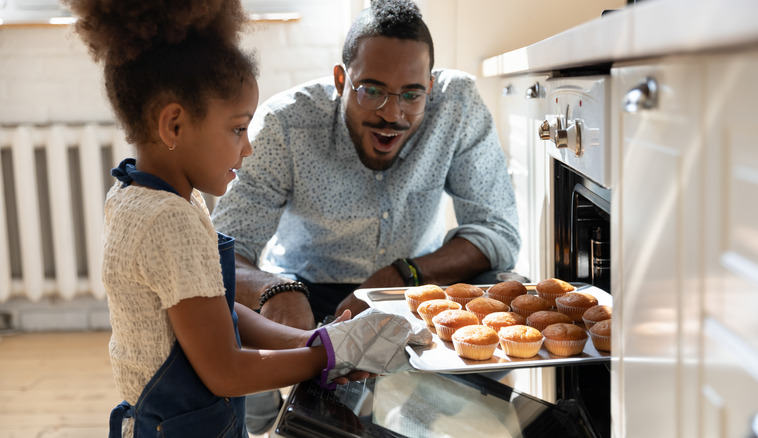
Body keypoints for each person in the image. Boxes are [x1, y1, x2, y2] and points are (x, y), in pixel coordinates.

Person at [64, 1, 431, 436]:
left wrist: (311, 341)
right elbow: (225, 370)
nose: (248, 148)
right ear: (174, 125)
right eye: (238, 129)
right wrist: (332, 355)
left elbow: (212, 311)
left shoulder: (142, 195)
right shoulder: (169, 221)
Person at [211, 0, 522, 330]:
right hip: (304, 289)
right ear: (341, 80)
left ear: (430, 88)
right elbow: (221, 250)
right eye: (372, 91)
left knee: (508, 293)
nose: (391, 114)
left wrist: (399, 274)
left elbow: (498, 232)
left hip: (416, 282)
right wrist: (274, 290)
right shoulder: (285, 125)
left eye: (412, 95)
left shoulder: (457, 105)